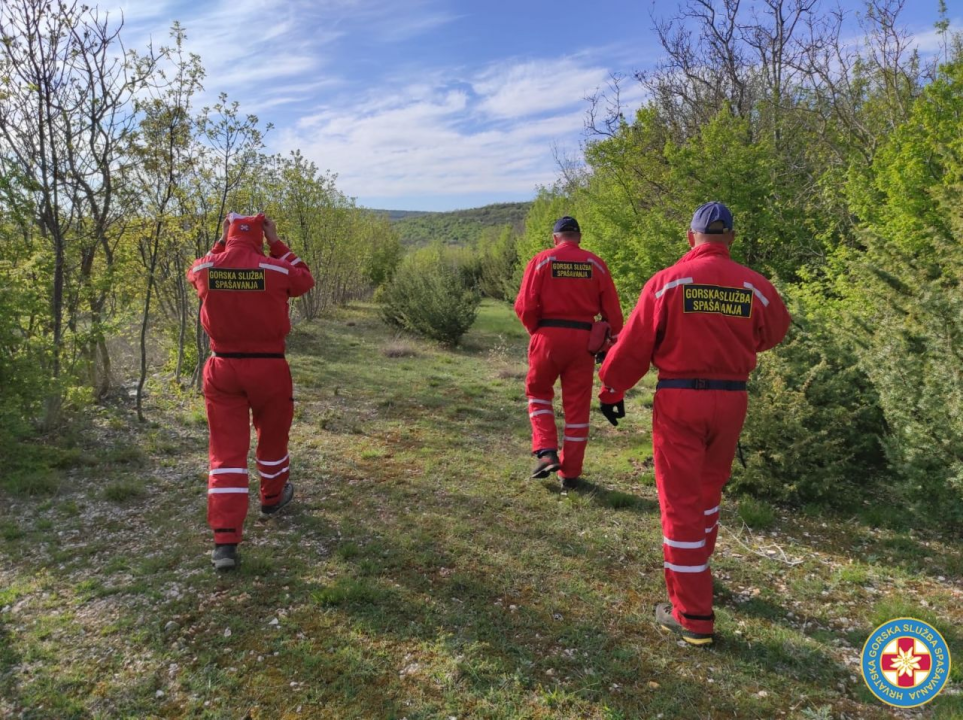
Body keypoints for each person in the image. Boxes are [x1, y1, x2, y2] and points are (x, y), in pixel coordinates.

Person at [598, 201, 790, 646]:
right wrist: (737, 346)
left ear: (691, 238)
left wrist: (611, 388)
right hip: (732, 398)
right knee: (707, 493)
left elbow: (632, 347)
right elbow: (776, 330)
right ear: (731, 240)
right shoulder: (755, 286)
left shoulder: (668, 283)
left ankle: (692, 615)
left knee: (681, 503)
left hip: (681, 399)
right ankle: (699, 572)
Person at [188, 213, 315, 570]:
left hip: (222, 367)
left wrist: (222, 243)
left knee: (226, 454)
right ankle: (273, 498)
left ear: (229, 235)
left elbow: (195, 268)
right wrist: (277, 243)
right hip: (269, 367)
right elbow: (305, 280)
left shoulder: (207, 268)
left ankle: (225, 542)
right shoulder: (275, 269)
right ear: (260, 235)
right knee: (272, 439)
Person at [514, 216, 624, 489]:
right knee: (577, 408)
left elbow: (524, 307)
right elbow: (614, 316)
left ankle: (546, 451)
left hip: (548, 336)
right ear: (579, 237)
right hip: (583, 341)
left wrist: (537, 331)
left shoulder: (541, 261)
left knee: (538, 392)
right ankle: (571, 472)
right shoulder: (596, 264)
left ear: (555, 238)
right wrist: (606, 340)